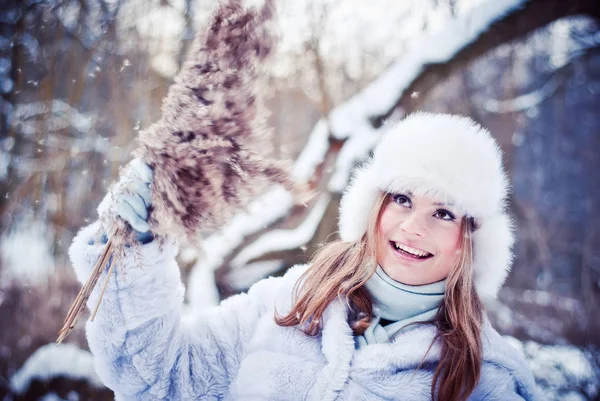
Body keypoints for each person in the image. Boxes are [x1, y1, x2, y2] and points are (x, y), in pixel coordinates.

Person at [69, 112, 540, 400]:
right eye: (401, 200)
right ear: (373, 208)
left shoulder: (489, 379)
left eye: (442, 212)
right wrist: (138, 246)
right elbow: (158, 379)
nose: (414, 226)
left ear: (469, 240)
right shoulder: (284, 304)